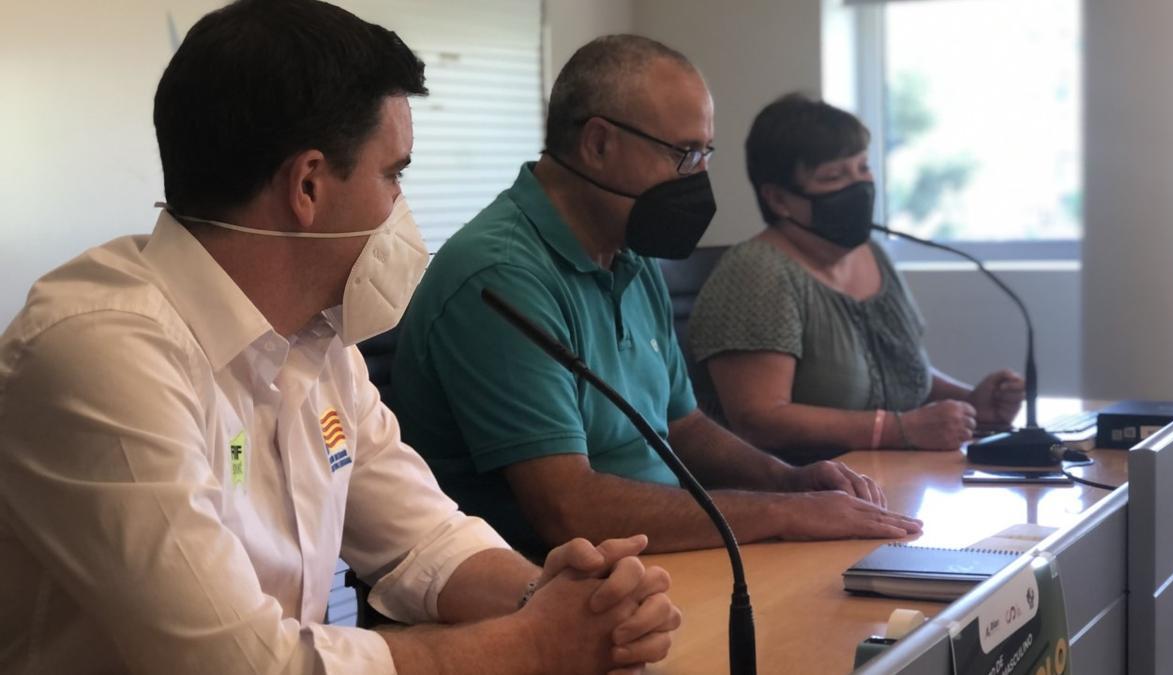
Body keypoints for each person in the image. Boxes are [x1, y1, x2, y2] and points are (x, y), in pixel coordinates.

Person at [0, 2, 680, 673]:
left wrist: (553, 599)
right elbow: (241, 664)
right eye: (394, 174)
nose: (400, 207)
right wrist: (534, 642)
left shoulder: (320, 342)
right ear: (308, 184)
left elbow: (426, 540)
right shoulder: (98, 354)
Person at [388, 35, 923, 559]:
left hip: (659, 560)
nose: (701, 178)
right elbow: (568, 511)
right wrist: (782, 514)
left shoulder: (629, 252)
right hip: (542, 588)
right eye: (685, 154)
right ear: (598, 144)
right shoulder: (502, 275)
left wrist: (790, 482)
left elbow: (682, 426)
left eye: (705, 153)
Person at [687, 93, 1024, 462]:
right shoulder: (756, 271)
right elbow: (759, 420)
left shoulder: (872, 253)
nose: (858, 186)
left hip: (891, 479)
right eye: (834, 176)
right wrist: (900, 429)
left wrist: (971, 403)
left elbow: (891, 370)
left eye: (863, 168)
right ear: (779, 199)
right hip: (799, 494)